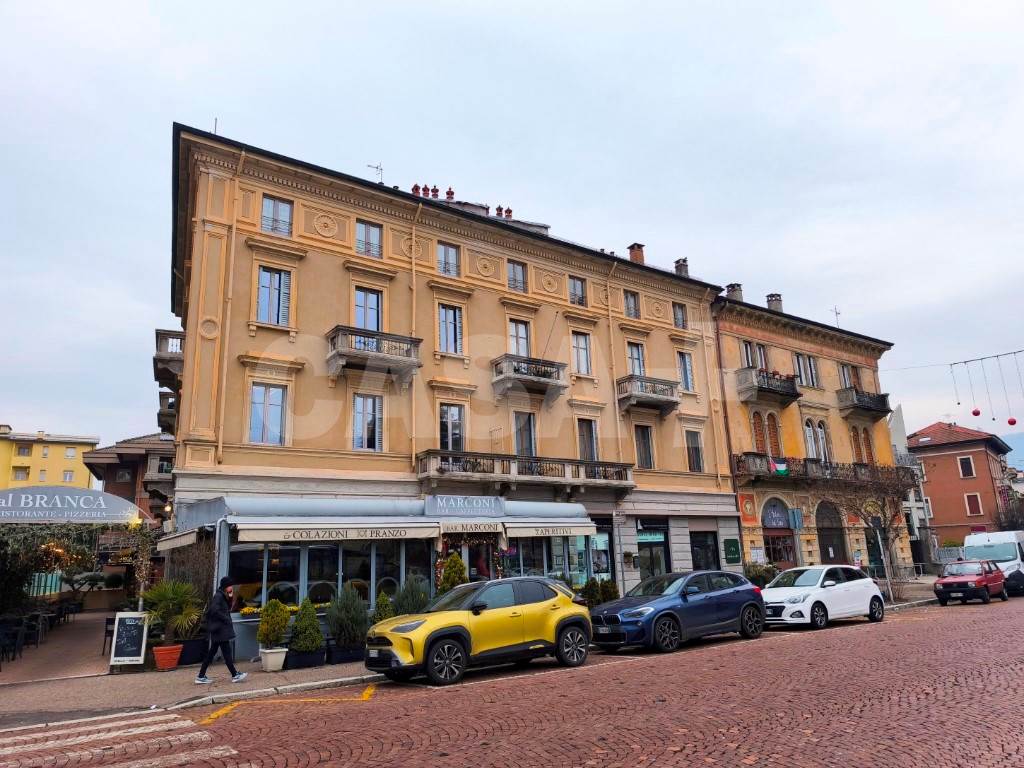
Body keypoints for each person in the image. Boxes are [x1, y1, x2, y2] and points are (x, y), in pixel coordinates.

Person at [195, 576, 247, 684]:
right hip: (220, 630)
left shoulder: (222, 595)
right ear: (225, 586)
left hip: (219, 630)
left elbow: (228, 608)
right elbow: (215, 610)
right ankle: (234, 675)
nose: (231, 587)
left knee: (212, 653)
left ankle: (201, 676)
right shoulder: (218, 596)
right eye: (230, 585)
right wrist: (226, 618)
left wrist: (231, 597)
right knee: (226, 653)